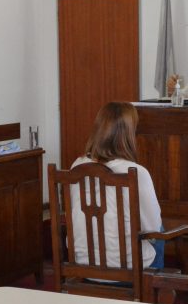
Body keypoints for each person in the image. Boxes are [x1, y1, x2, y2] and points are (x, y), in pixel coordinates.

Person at [70, 102, 164, 269]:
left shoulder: (77, 166)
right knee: (160, 231)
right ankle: (159, 283)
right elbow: (153, 229)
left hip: (83, 262)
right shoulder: (137, 172)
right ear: (128, 135)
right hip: (128, 267)